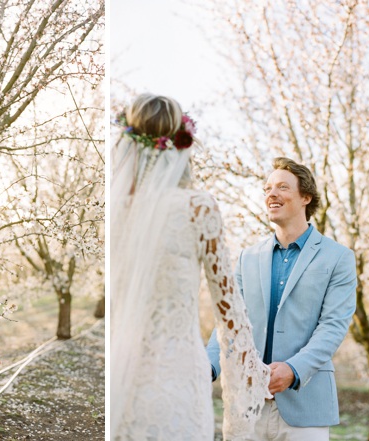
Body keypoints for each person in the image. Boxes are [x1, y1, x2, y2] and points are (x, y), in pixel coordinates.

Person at [111, 94, 271, 441]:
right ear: (182, 144)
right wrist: (249, 373)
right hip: (176, 378)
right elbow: (229, 307)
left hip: (117, 375)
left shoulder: (112, 211)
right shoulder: (197, 207)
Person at [206, 157, 357, 440]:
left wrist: (294, 369)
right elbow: (229, 322)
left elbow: (333, 326)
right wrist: (208, 365)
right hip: (247, 407)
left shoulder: (339, 258)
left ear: (305, 197)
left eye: (282, 187)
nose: (271, 194)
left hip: (306, 406)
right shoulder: (246, 257)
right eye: (267, 189)